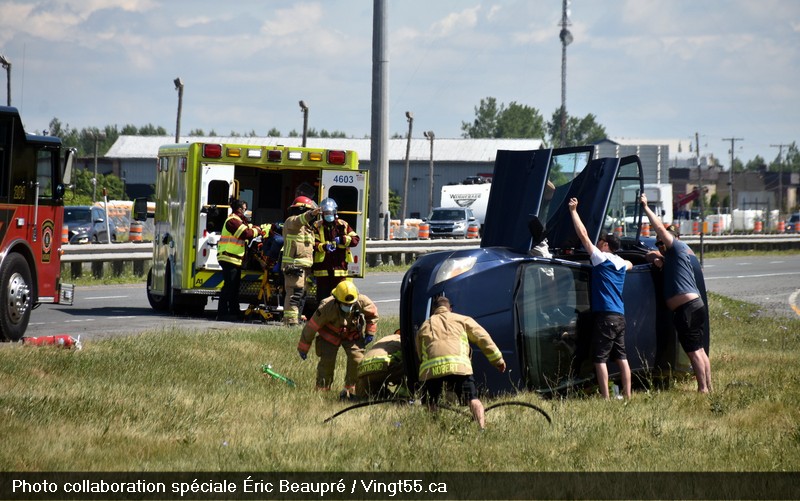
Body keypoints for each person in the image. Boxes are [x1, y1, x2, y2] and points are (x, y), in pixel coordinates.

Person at [641, 193, 712, 393]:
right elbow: (650, 255)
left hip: (686, 308)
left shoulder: (677, 248)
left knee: (692, 351)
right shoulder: (676, 255)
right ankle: (708, 386)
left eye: (662, 242)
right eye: (658, 244)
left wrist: (646, 208)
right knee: (698, 349)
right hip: (694, 306)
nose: (660, 245)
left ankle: (702, 389)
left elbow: (659, 229)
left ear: (673, 238)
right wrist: (656, 257)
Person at [568, 197, 633, 399]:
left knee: (600, 359)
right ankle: (628, 395)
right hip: (620, 316)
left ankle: (605, 397)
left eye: (600, 242)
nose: (597, 243)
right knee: (622, 358)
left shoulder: (601, 258)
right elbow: (630, 264)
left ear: (605, 245)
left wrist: (573, 211)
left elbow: (583, 235)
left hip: (605, 317)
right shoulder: (621, 263)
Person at [415, 296, 506, 430]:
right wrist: (498, 360)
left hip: (432, 369)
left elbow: (419, 352)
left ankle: (433, 430)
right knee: (473, 399)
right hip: (459, 366)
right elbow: (483, 338)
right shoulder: (462, 319)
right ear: (449, 308)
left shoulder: (425, 325)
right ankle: (481, 428)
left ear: (434, 310)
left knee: (431, 402)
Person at [297, 281, 379, 398]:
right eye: (345, 304)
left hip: (352, 334)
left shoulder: (361, 301)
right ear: (337, 300)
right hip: (329, 336)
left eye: (351, 304)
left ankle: (351, 390)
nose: (348, 307)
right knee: (327, 363)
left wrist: (370, 332)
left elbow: (373, 314)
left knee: (357, 359)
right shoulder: (326, 307)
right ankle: (322, 390)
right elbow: (311, 327)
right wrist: (303, 347)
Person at [217, 199, 263, 321]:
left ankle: (234, 312)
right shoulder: (233, 220)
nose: (246, 211)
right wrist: (257, 231)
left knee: (234, 287)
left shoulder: (238, 221)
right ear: (239, 209)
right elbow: (245, 234)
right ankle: (222, 313)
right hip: (228, 257)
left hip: (234, 259)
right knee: (229, 287)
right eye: (244, 208)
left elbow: (247, 228)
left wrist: (256, 228)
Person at [311, 197, 360, 302]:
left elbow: (355, 239)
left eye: (331, 212)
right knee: (322, 299)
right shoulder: (317, 226)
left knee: (340, 297)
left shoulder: (343, 225)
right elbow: (312, 243)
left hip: (339, 269)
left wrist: (342, 239)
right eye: (326, 213)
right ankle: (323, 318)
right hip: (322, 269)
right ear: (322, 214)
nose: (329, 215)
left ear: (335, 212)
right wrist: (324, 247)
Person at [281, 196, 320, 326]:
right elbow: (299, 220)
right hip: (293, 265)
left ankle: (295, 319)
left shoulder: (306, 228)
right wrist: (311, 213)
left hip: (304, 267)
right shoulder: (291, 221)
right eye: (308, 211)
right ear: (301, 210)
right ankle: (290, 322)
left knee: (301, 295)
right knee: (294, 294)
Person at [355, 330, 406, 399]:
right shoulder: (404, 340)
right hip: (384, 367)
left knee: (368, 397)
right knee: (412, 366)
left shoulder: (386, 338)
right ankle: (403, 396)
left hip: (363, 369)